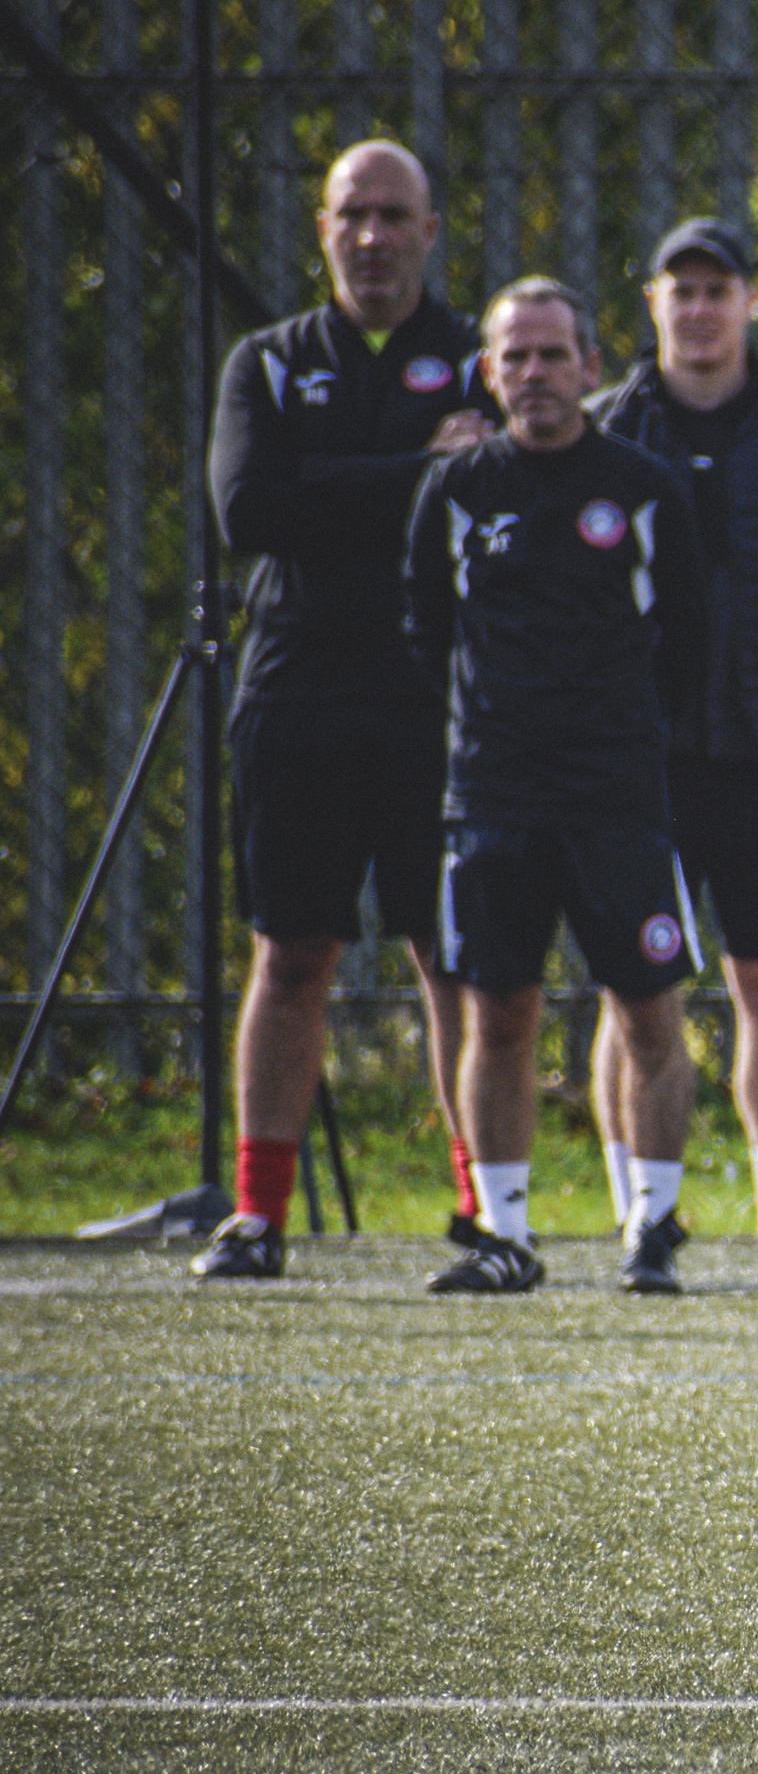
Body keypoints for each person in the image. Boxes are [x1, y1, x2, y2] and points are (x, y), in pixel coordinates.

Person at [194, 141, 494, 1280]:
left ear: (431, 227)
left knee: (450, 957)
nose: (371, 237)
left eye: (393, 215)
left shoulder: (476, 359)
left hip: (438, 700)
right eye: (350, 215)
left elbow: (492, 485)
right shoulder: (266, 364)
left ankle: (482, 1205)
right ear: (322, 227)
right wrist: (414, 473)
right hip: (297, 693)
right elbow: (249, 510)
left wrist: (344, 482)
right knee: (291, 951)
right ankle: (258, 1213)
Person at [405, 279, 710, 1296]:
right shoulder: (453, 491)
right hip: (492, 795)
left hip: (619, 795)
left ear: (591, 365)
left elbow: (688, 643)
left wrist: (630, 743)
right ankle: (504, 1232)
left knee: (650, 1011)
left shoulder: (645, 487)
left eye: (553, 355)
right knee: (497, 1015)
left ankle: (653, 1227)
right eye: (514, 358)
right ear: (488, 373)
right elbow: (429, 637)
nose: (534, 375)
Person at [587, 217, 758, 1242]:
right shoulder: (605, 433)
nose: (698, 309)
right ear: (653, 304)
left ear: (749, 303)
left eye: (717, 289)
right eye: (679, 290)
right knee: (633, 985)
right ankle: (635, 1205)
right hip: (635, 750)